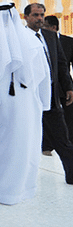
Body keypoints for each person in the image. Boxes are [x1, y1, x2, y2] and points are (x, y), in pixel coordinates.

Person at [0, 3, 50, 204]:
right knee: (23, 142)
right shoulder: (32, 41)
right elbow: (44, 77)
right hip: (27, 104)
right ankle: (21, 187)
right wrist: (43, 102)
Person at [24, 3, 73, 184]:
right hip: (28, 97)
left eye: (42, 15)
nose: (39, 18)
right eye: (35, 15)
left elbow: (61, 64)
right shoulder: (20, 38)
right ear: (26, 17)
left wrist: (68, 87)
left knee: (62, 137)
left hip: (51, 96)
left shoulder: (51, 37)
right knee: (26, 137)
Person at [43, 15, 73, 146]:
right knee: (47, 116)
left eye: (45, 26)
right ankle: (47, 144)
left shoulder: (69, 42)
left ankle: (69, 142)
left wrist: (70, 87)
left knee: (68, 116)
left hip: (64, 86)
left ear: (53, 27)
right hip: (47, 86)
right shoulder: (40, 41)